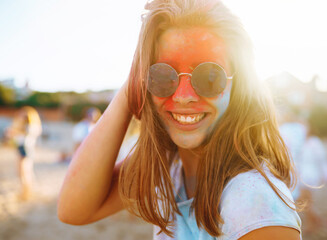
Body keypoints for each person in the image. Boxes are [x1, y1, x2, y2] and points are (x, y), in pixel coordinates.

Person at [57, 0, 302, 239]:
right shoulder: (167, 164)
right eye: (162, 75)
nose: (183, 96)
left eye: (209, 76)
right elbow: (73, 210)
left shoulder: (255, 206)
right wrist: (134, 79)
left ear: (239, 87)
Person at [5, 106, 42, 200]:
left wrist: (14, 132)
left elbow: (26, 135)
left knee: (25, 172)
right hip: (21, 148)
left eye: (24, 115)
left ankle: (27, 193)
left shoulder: (31, 126)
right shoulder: (22, 125)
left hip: (25, 149)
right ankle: (25, 191)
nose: (22, 117)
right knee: (22, 172)